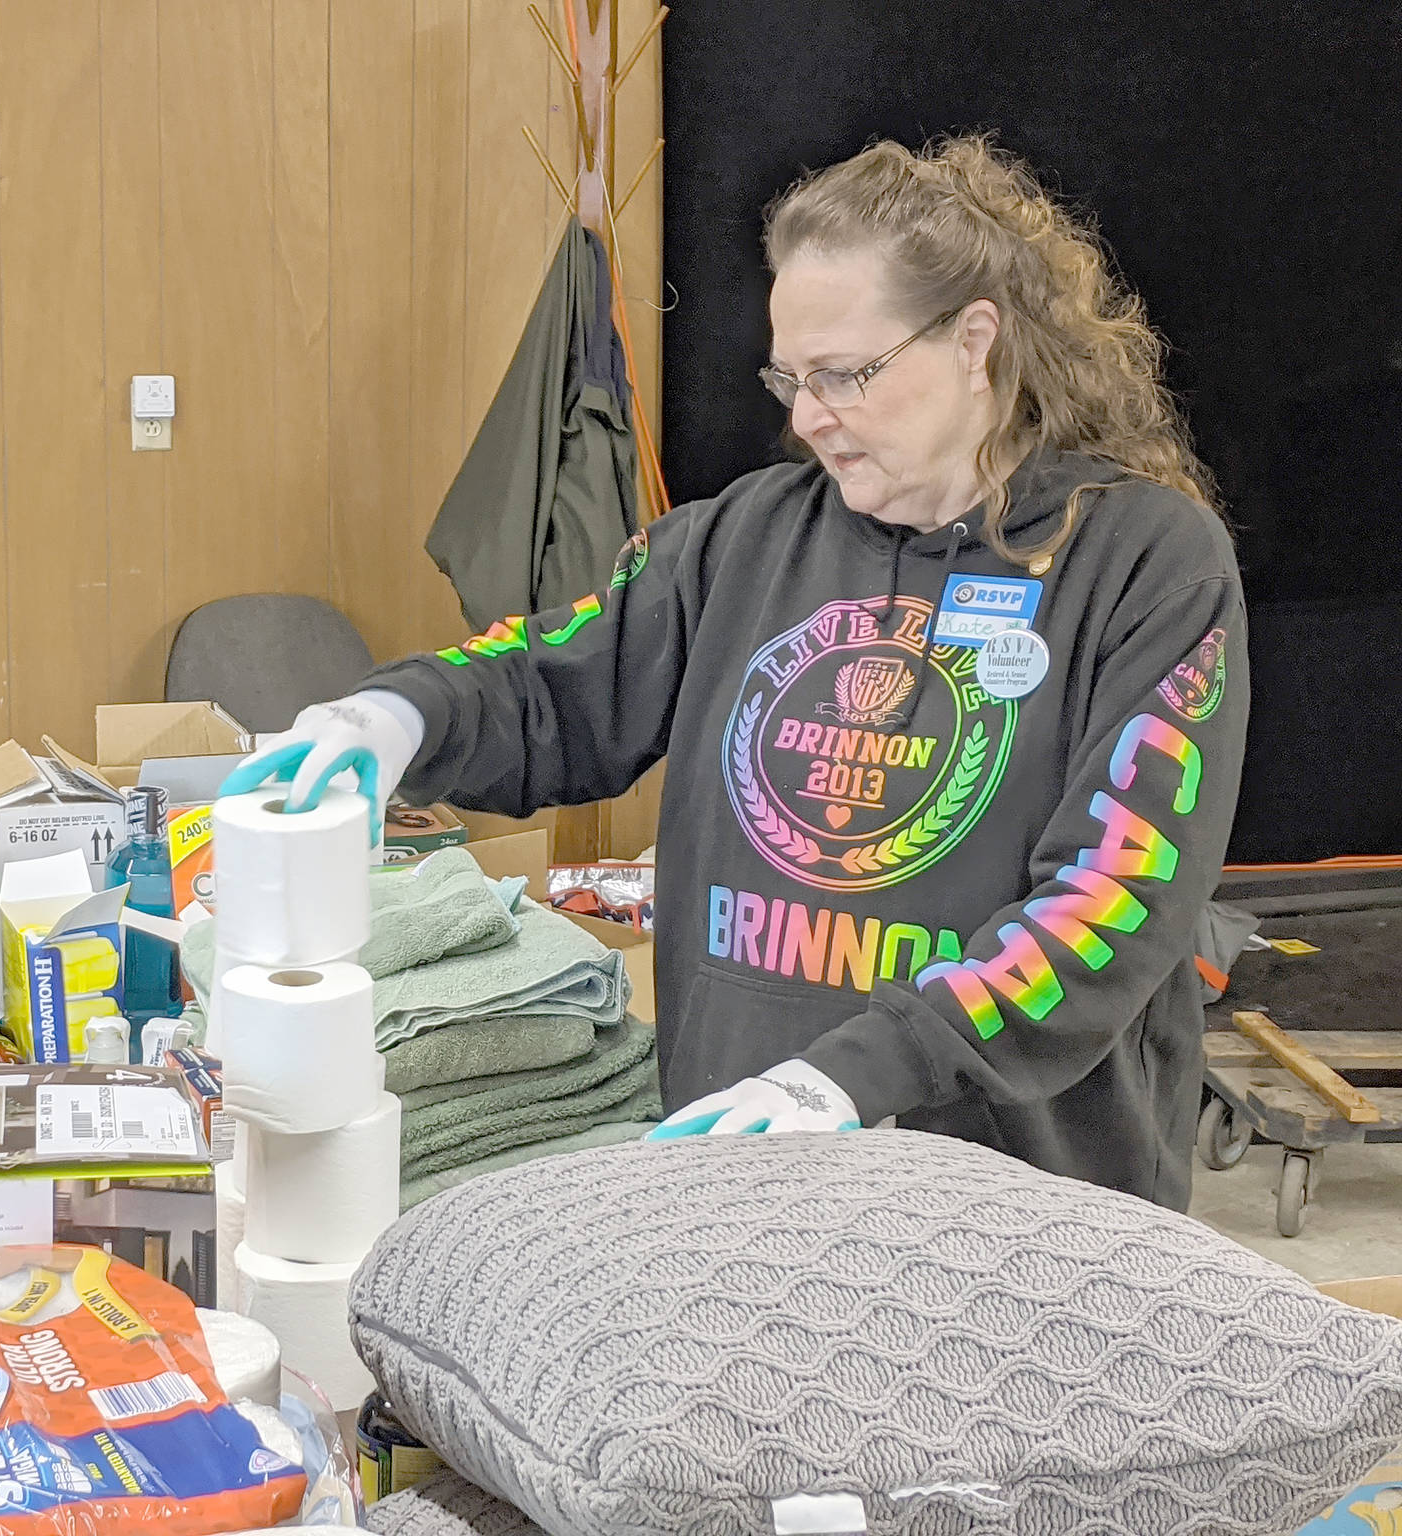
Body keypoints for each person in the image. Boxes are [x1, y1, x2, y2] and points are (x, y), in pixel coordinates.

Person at [222, 135, 1247, 1211]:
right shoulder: (744, 538)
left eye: (845, 375)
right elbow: (549, 680)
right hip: (740, 1181)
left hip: (1015, 1210)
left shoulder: (1142, 563)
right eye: (789, 378)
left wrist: (850, 1078)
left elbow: (1111, 901)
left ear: (973, 341)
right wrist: (394, 718)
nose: (807, 418)